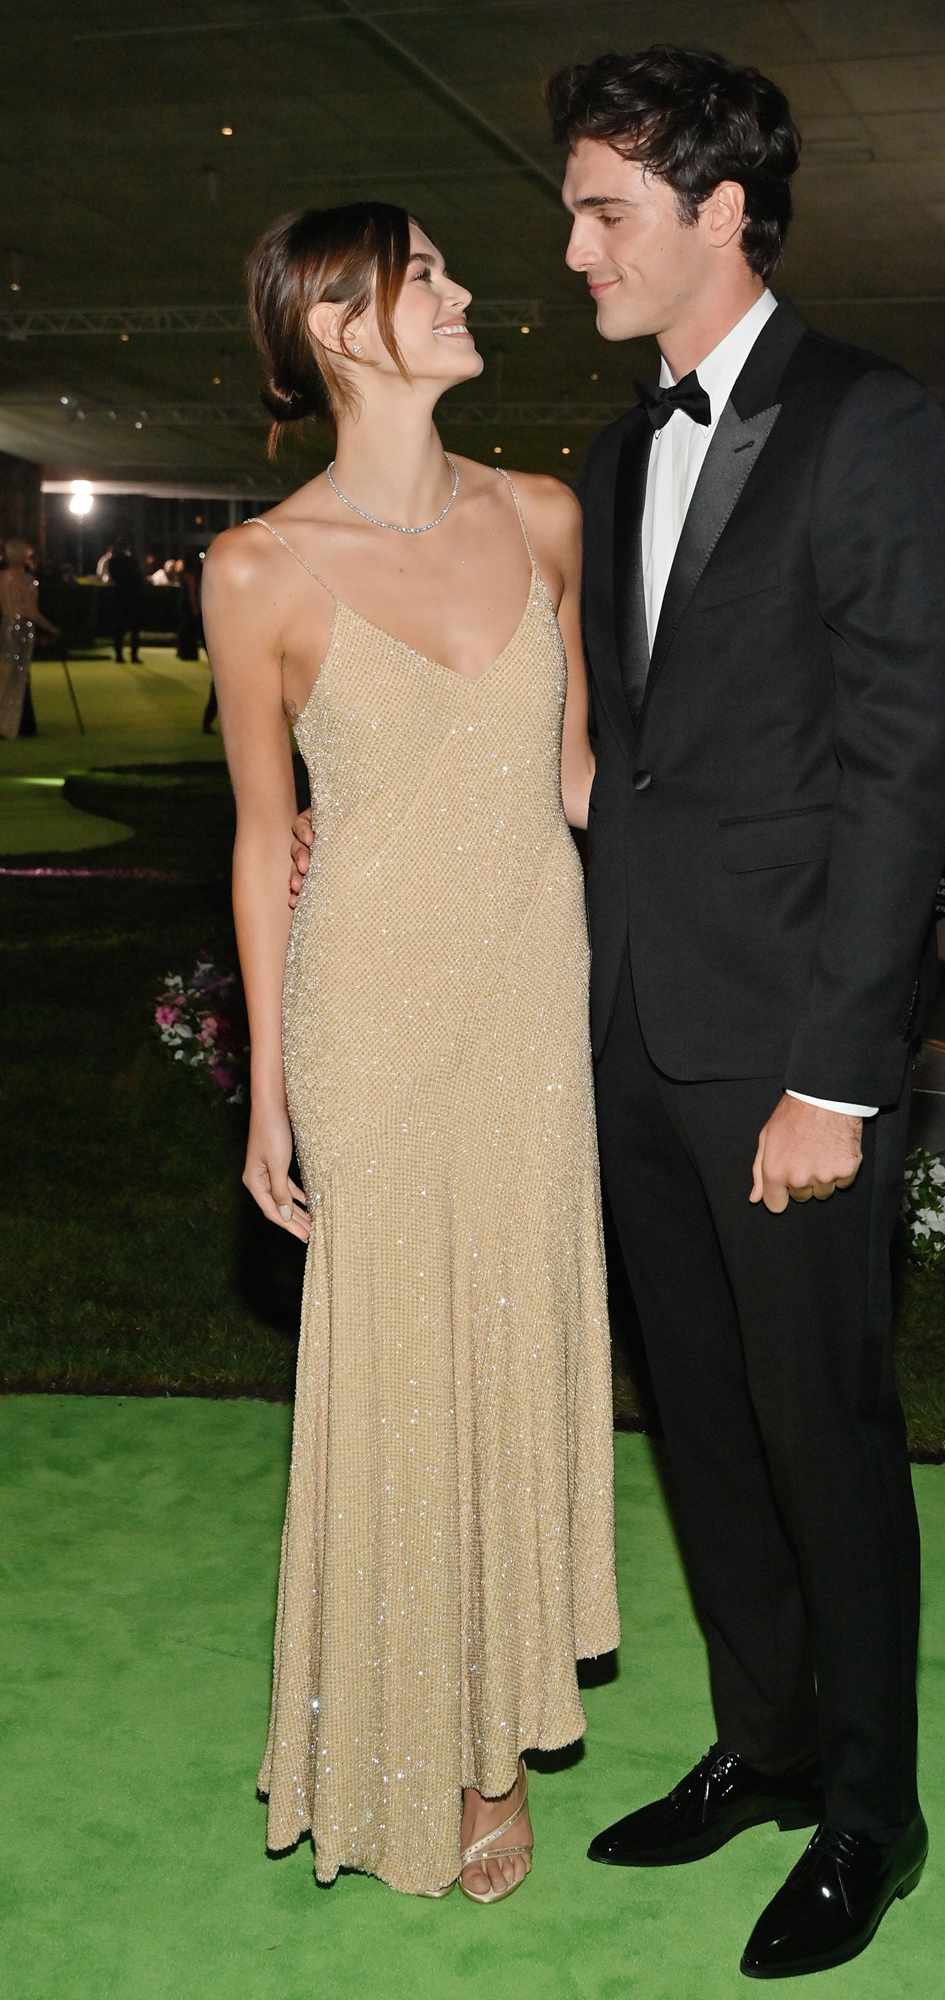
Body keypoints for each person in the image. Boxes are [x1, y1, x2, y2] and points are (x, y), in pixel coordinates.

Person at [547, 47, 945, 1982]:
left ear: (722, 213)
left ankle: (866, 1817)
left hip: (783, 1057)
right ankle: (764, 1744)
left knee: (821, 1429)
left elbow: (898, 766)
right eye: (571, 211)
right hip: (631, 1038)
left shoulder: (868, 420)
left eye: (603, 211)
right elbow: (612, 768)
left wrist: (835, 1074)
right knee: (702, 1428)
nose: (569, 252)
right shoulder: (612, 455)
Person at [202, 201, 618, 1905]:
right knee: (401, 1366)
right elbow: (258, 836)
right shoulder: (256, 571)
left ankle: (489, 1732)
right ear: (335, 323)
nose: (460, 293)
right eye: (424, 274)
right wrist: (270, 1094)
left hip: (529, 1002)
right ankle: (389, 1734)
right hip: (367, 1008)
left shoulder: (540, 515)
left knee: (510, 1342)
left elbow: (584, 776)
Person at [0, 536, 58, 739]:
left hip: (6, 626)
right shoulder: (27, 580)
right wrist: (51, 628)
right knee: (20, 674)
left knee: (6, 674)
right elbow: (31, 611)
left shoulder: (2, 577)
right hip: (22, 629)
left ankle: (8, 722)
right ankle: (21, 724)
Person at [107, 536, 142, 662]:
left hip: (118, 597)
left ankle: (119, 655)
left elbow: (113, 577)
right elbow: (138, 577)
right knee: (134, 629)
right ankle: (134, 655)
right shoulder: (131, 561)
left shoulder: (113, 561)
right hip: (131, 597)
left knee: (119, 629)